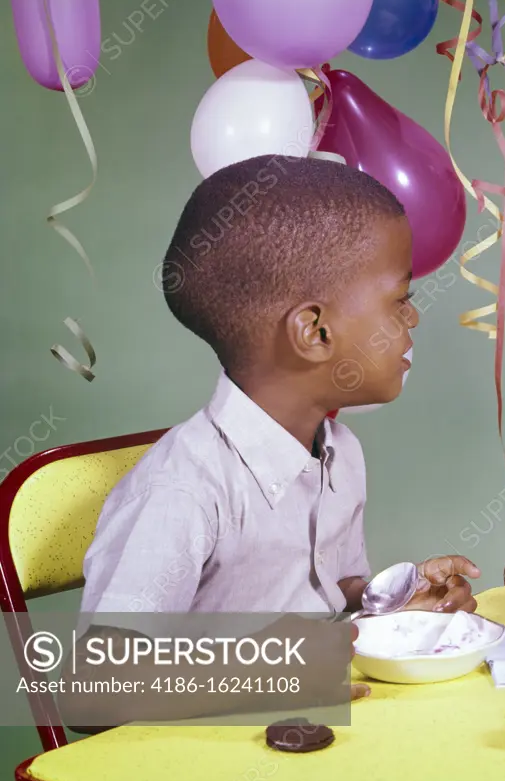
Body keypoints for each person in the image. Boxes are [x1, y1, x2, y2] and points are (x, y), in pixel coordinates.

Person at [68, 155, 479, 726]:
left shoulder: (341, 451)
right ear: (315, 331)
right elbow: (97, 692)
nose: (414, 319)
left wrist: (391, 603)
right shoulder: (183, 492)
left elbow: (329, 592)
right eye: (399, 299)